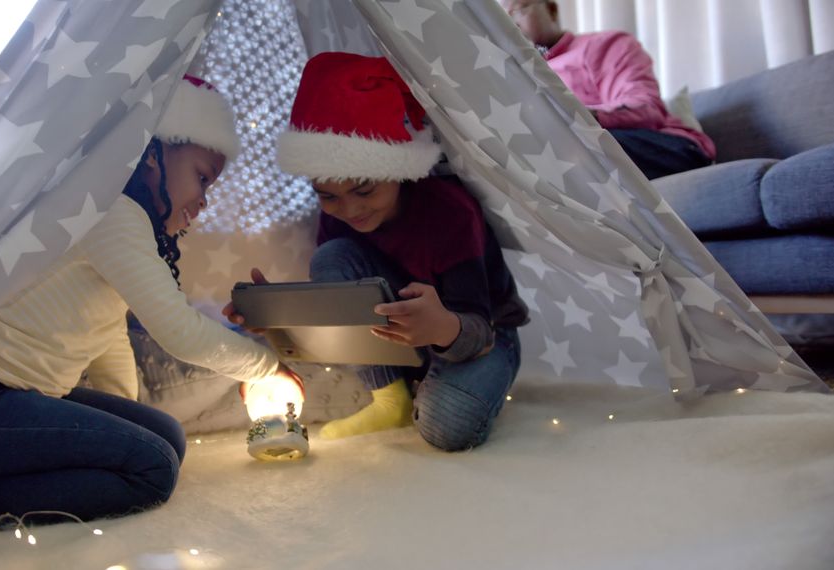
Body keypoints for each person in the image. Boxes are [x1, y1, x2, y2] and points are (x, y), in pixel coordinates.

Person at [0, 76, 304, 535]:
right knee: (152, 470)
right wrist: (265, 368)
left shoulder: (116, 220)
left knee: (165, 438)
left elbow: (106, 334)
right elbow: (179, 332)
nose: (203, 201)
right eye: (202, 178)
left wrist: (113, 433)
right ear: (154, 153)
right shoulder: (112, 210)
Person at [225, 53, 529, 451]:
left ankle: (429, 386)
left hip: (481, 332)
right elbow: (343, 304)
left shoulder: (450, 213)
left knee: (448, 426)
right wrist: (281, 319)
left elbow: (480, 333)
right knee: (332, 257)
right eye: (328, 196)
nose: (350, 209)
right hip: (403, 333)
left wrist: (441, 328)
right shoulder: (339, 218)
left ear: (396, 170)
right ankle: (392, 397)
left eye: (365, 190)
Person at [503, 0, 716, 179]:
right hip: (573, 156)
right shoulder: (520, 75)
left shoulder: (604, 44)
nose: (511, 24)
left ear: (551, 9)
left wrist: (572, 116)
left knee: (557, 147)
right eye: (502, 20)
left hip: (664, 147)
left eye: (517, 10)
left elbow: (645, 106)